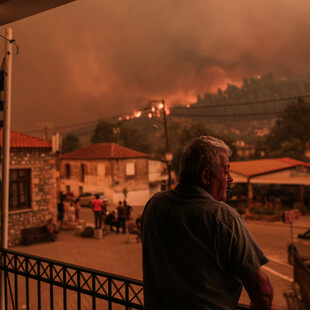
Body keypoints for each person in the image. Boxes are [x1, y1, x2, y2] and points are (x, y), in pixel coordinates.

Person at [142, 136, 278, 310]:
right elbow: (261, 289)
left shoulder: (155, 204)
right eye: (226, 171)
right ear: (206, 176)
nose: (230, 179)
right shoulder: (223, 217)